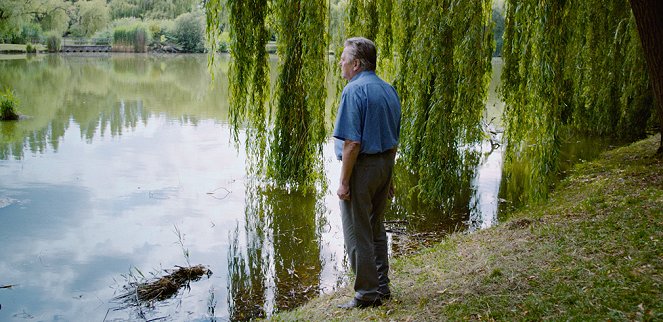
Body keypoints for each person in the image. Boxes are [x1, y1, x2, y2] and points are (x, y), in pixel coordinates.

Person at [333, 37, 401, 309]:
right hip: (384, 166)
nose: (340, 63)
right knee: (376, 229)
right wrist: (390, 175)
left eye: (344, 59)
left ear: (356, 64)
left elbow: (352, 144)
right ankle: (381, 287)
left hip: (362, 169)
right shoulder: (388, 89)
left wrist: (344, 182)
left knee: (358, 231)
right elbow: (394, 139)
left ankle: (366, 294)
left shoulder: (353, 91)